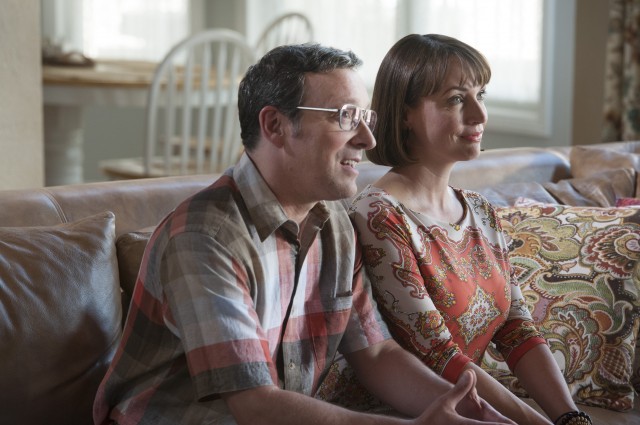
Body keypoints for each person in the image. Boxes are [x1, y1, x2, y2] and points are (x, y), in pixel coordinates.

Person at [92, 43, 515, 425]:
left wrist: (468, 410)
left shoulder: (335, 223)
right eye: (346, 117)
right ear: (275, 125)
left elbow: (375, 353)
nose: (367, 139)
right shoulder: (204, 237)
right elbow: (256, 406)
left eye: (365, 117)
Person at [350, 34, 592, 425]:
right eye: (456, 99)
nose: (479, 115)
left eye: (481, 95)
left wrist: (570, 419)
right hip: (411, 414)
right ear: (406, 114)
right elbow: (438, 356)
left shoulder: (479, 209)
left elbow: (517, 330)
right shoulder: (379, 215)